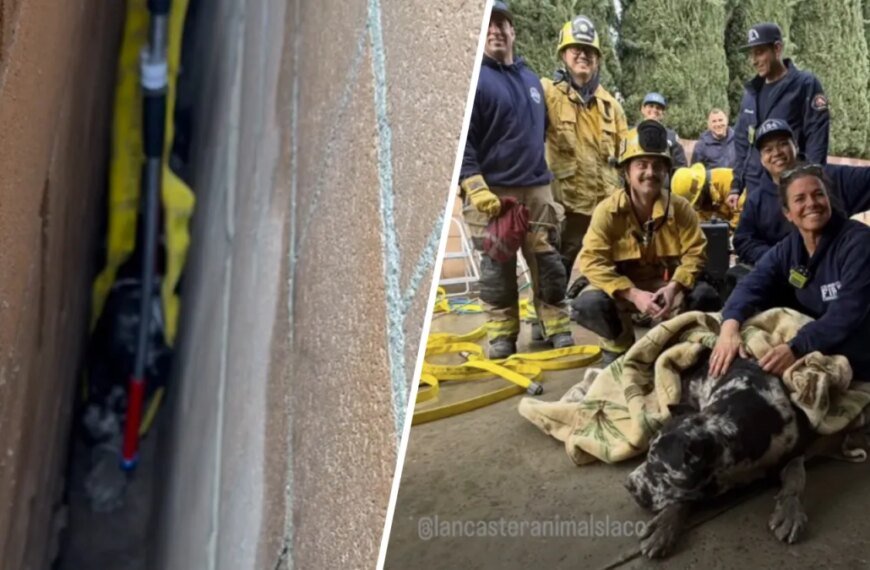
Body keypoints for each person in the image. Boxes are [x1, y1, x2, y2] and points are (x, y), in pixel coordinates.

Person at [459, 1, 573, 358]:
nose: (495, 30)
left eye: (502, 23)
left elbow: (546, 134)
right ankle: (502, 335)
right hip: (495, 192)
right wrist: (473, 184)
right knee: (498, 266)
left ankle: (555, 325)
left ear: (513, 31)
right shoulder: (473, 80)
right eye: (488, 24)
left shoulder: (531, 80)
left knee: (548, 262)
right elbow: (462, 141)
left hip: (537, 188)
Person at [571, 120, 720, 364]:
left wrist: (674, 288)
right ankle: (618, 346)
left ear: (666, 171)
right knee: (590, 303)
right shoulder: (607, 211)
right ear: (626, 171)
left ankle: (677, 342)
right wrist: (633, 294)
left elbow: (696, 253)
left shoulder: (681, 209)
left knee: (706, 295)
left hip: (666, 291)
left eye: (657, 166)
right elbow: (591, 261)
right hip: (623, 292)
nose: (650, 172)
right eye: (641, 165)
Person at [711, 165, 870, 380]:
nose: (811, 204)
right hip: (818, 344)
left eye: (818, 195)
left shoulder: (858, 242)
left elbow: (848, 311)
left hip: (860, 355)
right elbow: (753, 283)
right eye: (800, 199)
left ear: (829, 200)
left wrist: (796, 347)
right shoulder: (789, 248)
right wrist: (729, 326)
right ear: (788, 214)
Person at [541, 15, 628, 284]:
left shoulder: (611, 106)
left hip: (605, 206)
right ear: (563, 54)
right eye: (576, 49)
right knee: (555, 269)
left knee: (615, 267)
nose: (583, 56)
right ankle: (545, 322)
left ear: (598, 58)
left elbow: (626, 157)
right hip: (566, 207)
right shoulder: (547, 94)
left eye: (590, 51)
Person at [732, 118, 870, 266]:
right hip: (785, 279)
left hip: (838, 271)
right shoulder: (756, 200)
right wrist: (779, 259)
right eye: (768, 149)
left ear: (796, 146)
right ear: (761, 159)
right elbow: (743, 240)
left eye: (783, 144)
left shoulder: (832, 177)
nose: (777, 152)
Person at [726, 22, 829, 209]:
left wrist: (811, 182)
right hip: (755, 190)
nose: (754, 60)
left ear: (777, 49)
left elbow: (817, 136)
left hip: (789, 187)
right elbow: (742, 141)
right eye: (751, 54)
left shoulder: (804, 84)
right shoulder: (751, 93)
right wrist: (736, 185)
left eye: (759, 52)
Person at [671, 163, 743, 229]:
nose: (697, 206)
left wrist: (729, 230)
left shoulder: (728, 181)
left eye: (697, 201)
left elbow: (742, 215)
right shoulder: (700, 204)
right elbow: (702, 223)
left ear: (702, 188)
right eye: (694, 203)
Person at [639, 92, 688, 169]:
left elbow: (681, 166)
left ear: (663, 114)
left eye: (658, 108)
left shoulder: (671, 136)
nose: (654, 110)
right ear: (642, 109)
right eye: (651, 106)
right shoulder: (633, 133)